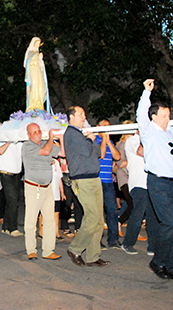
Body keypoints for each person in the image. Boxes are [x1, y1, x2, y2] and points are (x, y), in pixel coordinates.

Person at [137, 79, 173, 281]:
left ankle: (171, 266)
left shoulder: (171, 131)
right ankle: (157, 261)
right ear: (153, 116)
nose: (167, 118)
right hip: (158, 183)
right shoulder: (148, 130)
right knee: (168, 223)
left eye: (168, 115)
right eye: (163, 115)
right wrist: (147, 92)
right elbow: (141, 113)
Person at [62, 106, 108, 268]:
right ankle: (75, 248)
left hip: (94, 178)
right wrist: (91, 139)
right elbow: (87, 150)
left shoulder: (82, 134)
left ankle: (93, 256)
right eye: (80, 114)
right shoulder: (72, 134)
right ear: (71, 117)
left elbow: (97, 153)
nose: (84, 117)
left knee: (98, 219)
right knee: (92, 217)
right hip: (82, 180)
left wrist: (92, 140)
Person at [21, 123, 62, 261]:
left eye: (39, 131)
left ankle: (48, 250)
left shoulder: (46, 143)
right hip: (33, 187)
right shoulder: (27, 146)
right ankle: (31, 250)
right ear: (29, 135)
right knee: (31, 221)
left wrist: (61, 138)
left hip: (47, 187)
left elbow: (62, 153)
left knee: (50, 220)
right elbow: (45, 151)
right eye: (35, 132)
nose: (38, 133)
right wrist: (51, 137)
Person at [95, 119, 121, 248]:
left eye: (108, 126)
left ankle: (113, 239)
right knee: (98, 212)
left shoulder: (109, 141)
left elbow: (117, 157)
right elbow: (101, 154)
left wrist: (109, 141)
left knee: (112, 210)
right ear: (97, 127)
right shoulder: (93, 139)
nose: (107, 128)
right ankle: (97, 240)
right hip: (97, 181)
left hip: (108, 182)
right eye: (104, 126)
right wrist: (104, 140)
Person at [23, 37, 51, 112]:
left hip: (39, 73)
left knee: (41, 87)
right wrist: (36, 60)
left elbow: (41, 67)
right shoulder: (30, 53)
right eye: (37, 43)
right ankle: (33, 105)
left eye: (39, 43)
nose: (38, 45)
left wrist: (40, 60)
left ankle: (40, 105)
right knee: (34, 88)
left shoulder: (38, 53)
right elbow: (28, 64)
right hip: (33, 73)